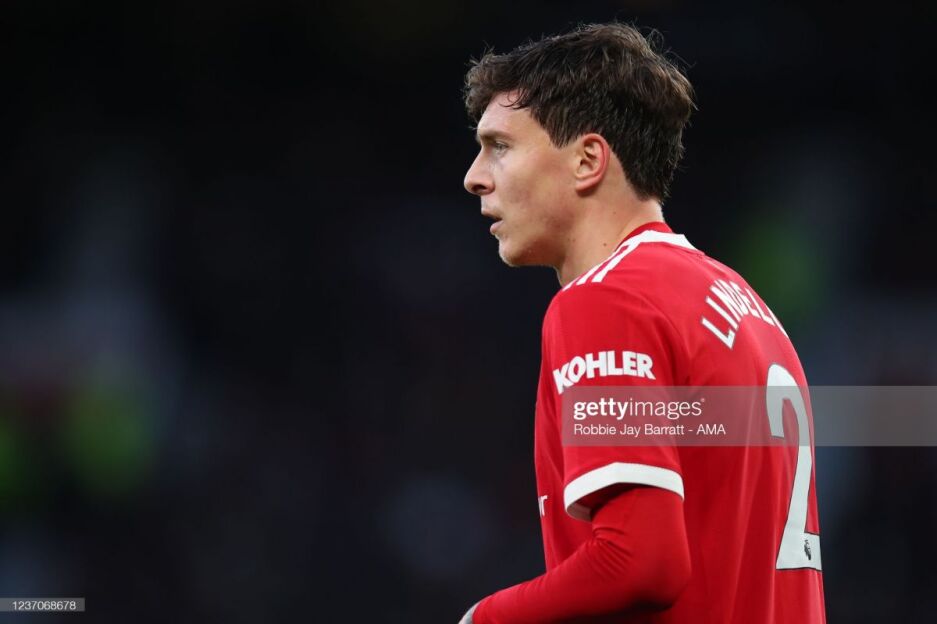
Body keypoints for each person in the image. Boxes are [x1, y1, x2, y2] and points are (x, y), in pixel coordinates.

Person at [458, 23, 825, 623]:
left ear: (587, 160)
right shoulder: (744, 305)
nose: (475, 176)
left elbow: (641, 561)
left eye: (500, 146)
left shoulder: (608, 301)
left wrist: (485, 618)